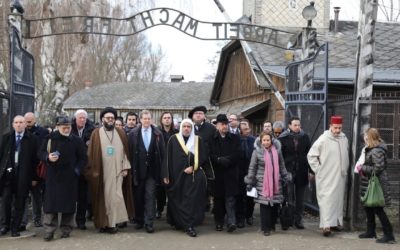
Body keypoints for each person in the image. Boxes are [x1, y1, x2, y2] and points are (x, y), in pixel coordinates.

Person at [86, 107, 134, 234]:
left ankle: (112, 224)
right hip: (102, 173)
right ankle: (103, 223)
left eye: (112, 118)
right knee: (103, 198)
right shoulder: (96, 133)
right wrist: (92, 171)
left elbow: (125, 152)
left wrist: (125, 167)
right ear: (102, 119)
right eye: (108, 118)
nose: (111, 120)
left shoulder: (121, 133)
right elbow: (91, 153)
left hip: (118, 171)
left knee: (115, 198)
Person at [40, 116, 87, 241]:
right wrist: (48, 157)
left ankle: (66, 229)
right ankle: (49, 230)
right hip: (53, 177)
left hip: (70, 178)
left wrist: (76, 171)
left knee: (69, 206)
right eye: (64, 127)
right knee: (50, 206)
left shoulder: (76, 140)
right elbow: (40, 153)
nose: (67, 130)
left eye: (69, 127)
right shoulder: (49, 138)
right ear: (57, 127)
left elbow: (83, 158)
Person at [161, 119, 207, 237]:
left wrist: (193, 167)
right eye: (184, 126)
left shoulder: (198, 140)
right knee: (177, 199)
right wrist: (166, 174)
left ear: (192, 128)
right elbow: (167, 157)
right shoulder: (173, 139)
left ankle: (189, 226)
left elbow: (203, 157)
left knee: (189, 201)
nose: (186, 128)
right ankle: (179, 222)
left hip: (192, 176)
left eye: (189, 126)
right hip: (176, 176)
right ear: (181, 127)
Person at [307, 115, 349, 236]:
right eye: (335, 128)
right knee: (326, 200)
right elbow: (311, 155)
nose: (337, 130)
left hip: (340, 175)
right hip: (326, 176)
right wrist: (318, 170)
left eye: (339, 128)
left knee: (338, 200)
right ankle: (326, 226)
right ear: (330, 126)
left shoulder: (344, 138)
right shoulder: (323, 139)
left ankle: (335, 223)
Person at [245, 132, 291, 236]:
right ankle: (265, 228)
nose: (266, 142)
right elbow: (252, 167)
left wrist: (285, 176)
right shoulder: (256, 152)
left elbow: (282, 165)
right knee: (264, 205)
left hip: (276, 181)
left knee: (274, 204)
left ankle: (272, 225)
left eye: (268, 140)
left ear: (271, 141)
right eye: (264, 140)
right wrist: (250, 180)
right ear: (261, 141)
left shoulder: (277, 151)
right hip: (262, 182)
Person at [0, 115, 38, 237]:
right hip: (8, 175)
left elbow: (35, 161)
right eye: (16, 122)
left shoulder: (32, 139)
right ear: (13, 124)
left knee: (20, 202)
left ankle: (15, 228)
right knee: (5, 200)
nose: (18, 124)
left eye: (21, 122)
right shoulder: (6, 137)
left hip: (23, 176)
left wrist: (34, 177)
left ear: (25, 124)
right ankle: (4, 225)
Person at [356, 128, 395, 244]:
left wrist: (362, 168)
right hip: (370, 182)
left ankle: (389, 235)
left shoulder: (377, 150)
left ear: (370, 137)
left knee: (378, 209)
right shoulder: (371, 149)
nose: (364, 138)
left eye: (366, 136)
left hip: (377, 183)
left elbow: (378, 168)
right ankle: (371, 231)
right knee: (368, 206)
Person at [128, 110, 164, 233]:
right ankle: (139, 220)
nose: (147, 120)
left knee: (150, 196)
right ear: (140, 120)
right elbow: (130, 152)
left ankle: (149, 222)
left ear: (152, 120)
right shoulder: (133, 134)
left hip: (152, 172)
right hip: (138, 171)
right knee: (138, 197)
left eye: (149, 118)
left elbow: (162, 153)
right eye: (145, 118)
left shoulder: (158, 133)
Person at [209, 114, 241, 233]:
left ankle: (231, 222)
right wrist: (218, 160)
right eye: (222, 124)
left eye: (226, 124)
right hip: (217, 174)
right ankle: (219, 222)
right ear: (217, 125)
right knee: (218, 200)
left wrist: (227, 160)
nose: (225, 126)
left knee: (230, 199)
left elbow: (238, 153)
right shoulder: (212, 139)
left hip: (230, 172)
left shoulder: (235, 138)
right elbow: (209, 154)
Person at [278, 117, 311, 229]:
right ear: (289, 126)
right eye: (295, 125)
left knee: (300, 198)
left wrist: (310, 171)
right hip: (288, 171)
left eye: (299, 125)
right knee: (288, 197)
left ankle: (298, 220)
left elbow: (309, 154)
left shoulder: (305, 137)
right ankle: (287, 219)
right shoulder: (283, 138)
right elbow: (280, 156)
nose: (298, 127)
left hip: (301, 170)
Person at [21, 112, 49, 228]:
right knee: (22, 197)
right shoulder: (21, 132)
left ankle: (37, 218)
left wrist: (36, 176)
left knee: (36, 197)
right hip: (23, 168)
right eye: (26, 121)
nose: (27, 124)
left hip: (36, 168)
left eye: (30, 122)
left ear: (34, 120)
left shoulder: (43, 133)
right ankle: (23, 221)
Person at [70, 109, 95, 230]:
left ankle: (81, 221)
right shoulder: (69, 128)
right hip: (72, 166)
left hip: (85, 166)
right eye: (80, 118)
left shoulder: (91, 129)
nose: (82, 120)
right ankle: (69, 221)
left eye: (84, 118)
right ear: (75, 119)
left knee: (83, 197)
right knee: (70, 196)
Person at [156, 112, 178, 219]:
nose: (167, 120)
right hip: (160, 163)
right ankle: (159, 210)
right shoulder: (157, 132)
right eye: (165, 118)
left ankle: (172, 213)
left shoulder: (176, 132)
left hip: (173, 164)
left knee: (172, 190)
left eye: (169, 118)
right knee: (160, 190)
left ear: (172, 120)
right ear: (161, 120)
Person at [236, 120, 256, 227]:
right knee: (239, 196)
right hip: (239, 173)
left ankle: (249, 216)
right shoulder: (236, 140)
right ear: (240, 131)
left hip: (251, 172)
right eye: (244, 129)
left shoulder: (254, 140)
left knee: (250, 196)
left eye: (247, 128)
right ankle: (240, 218)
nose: (247, 131)